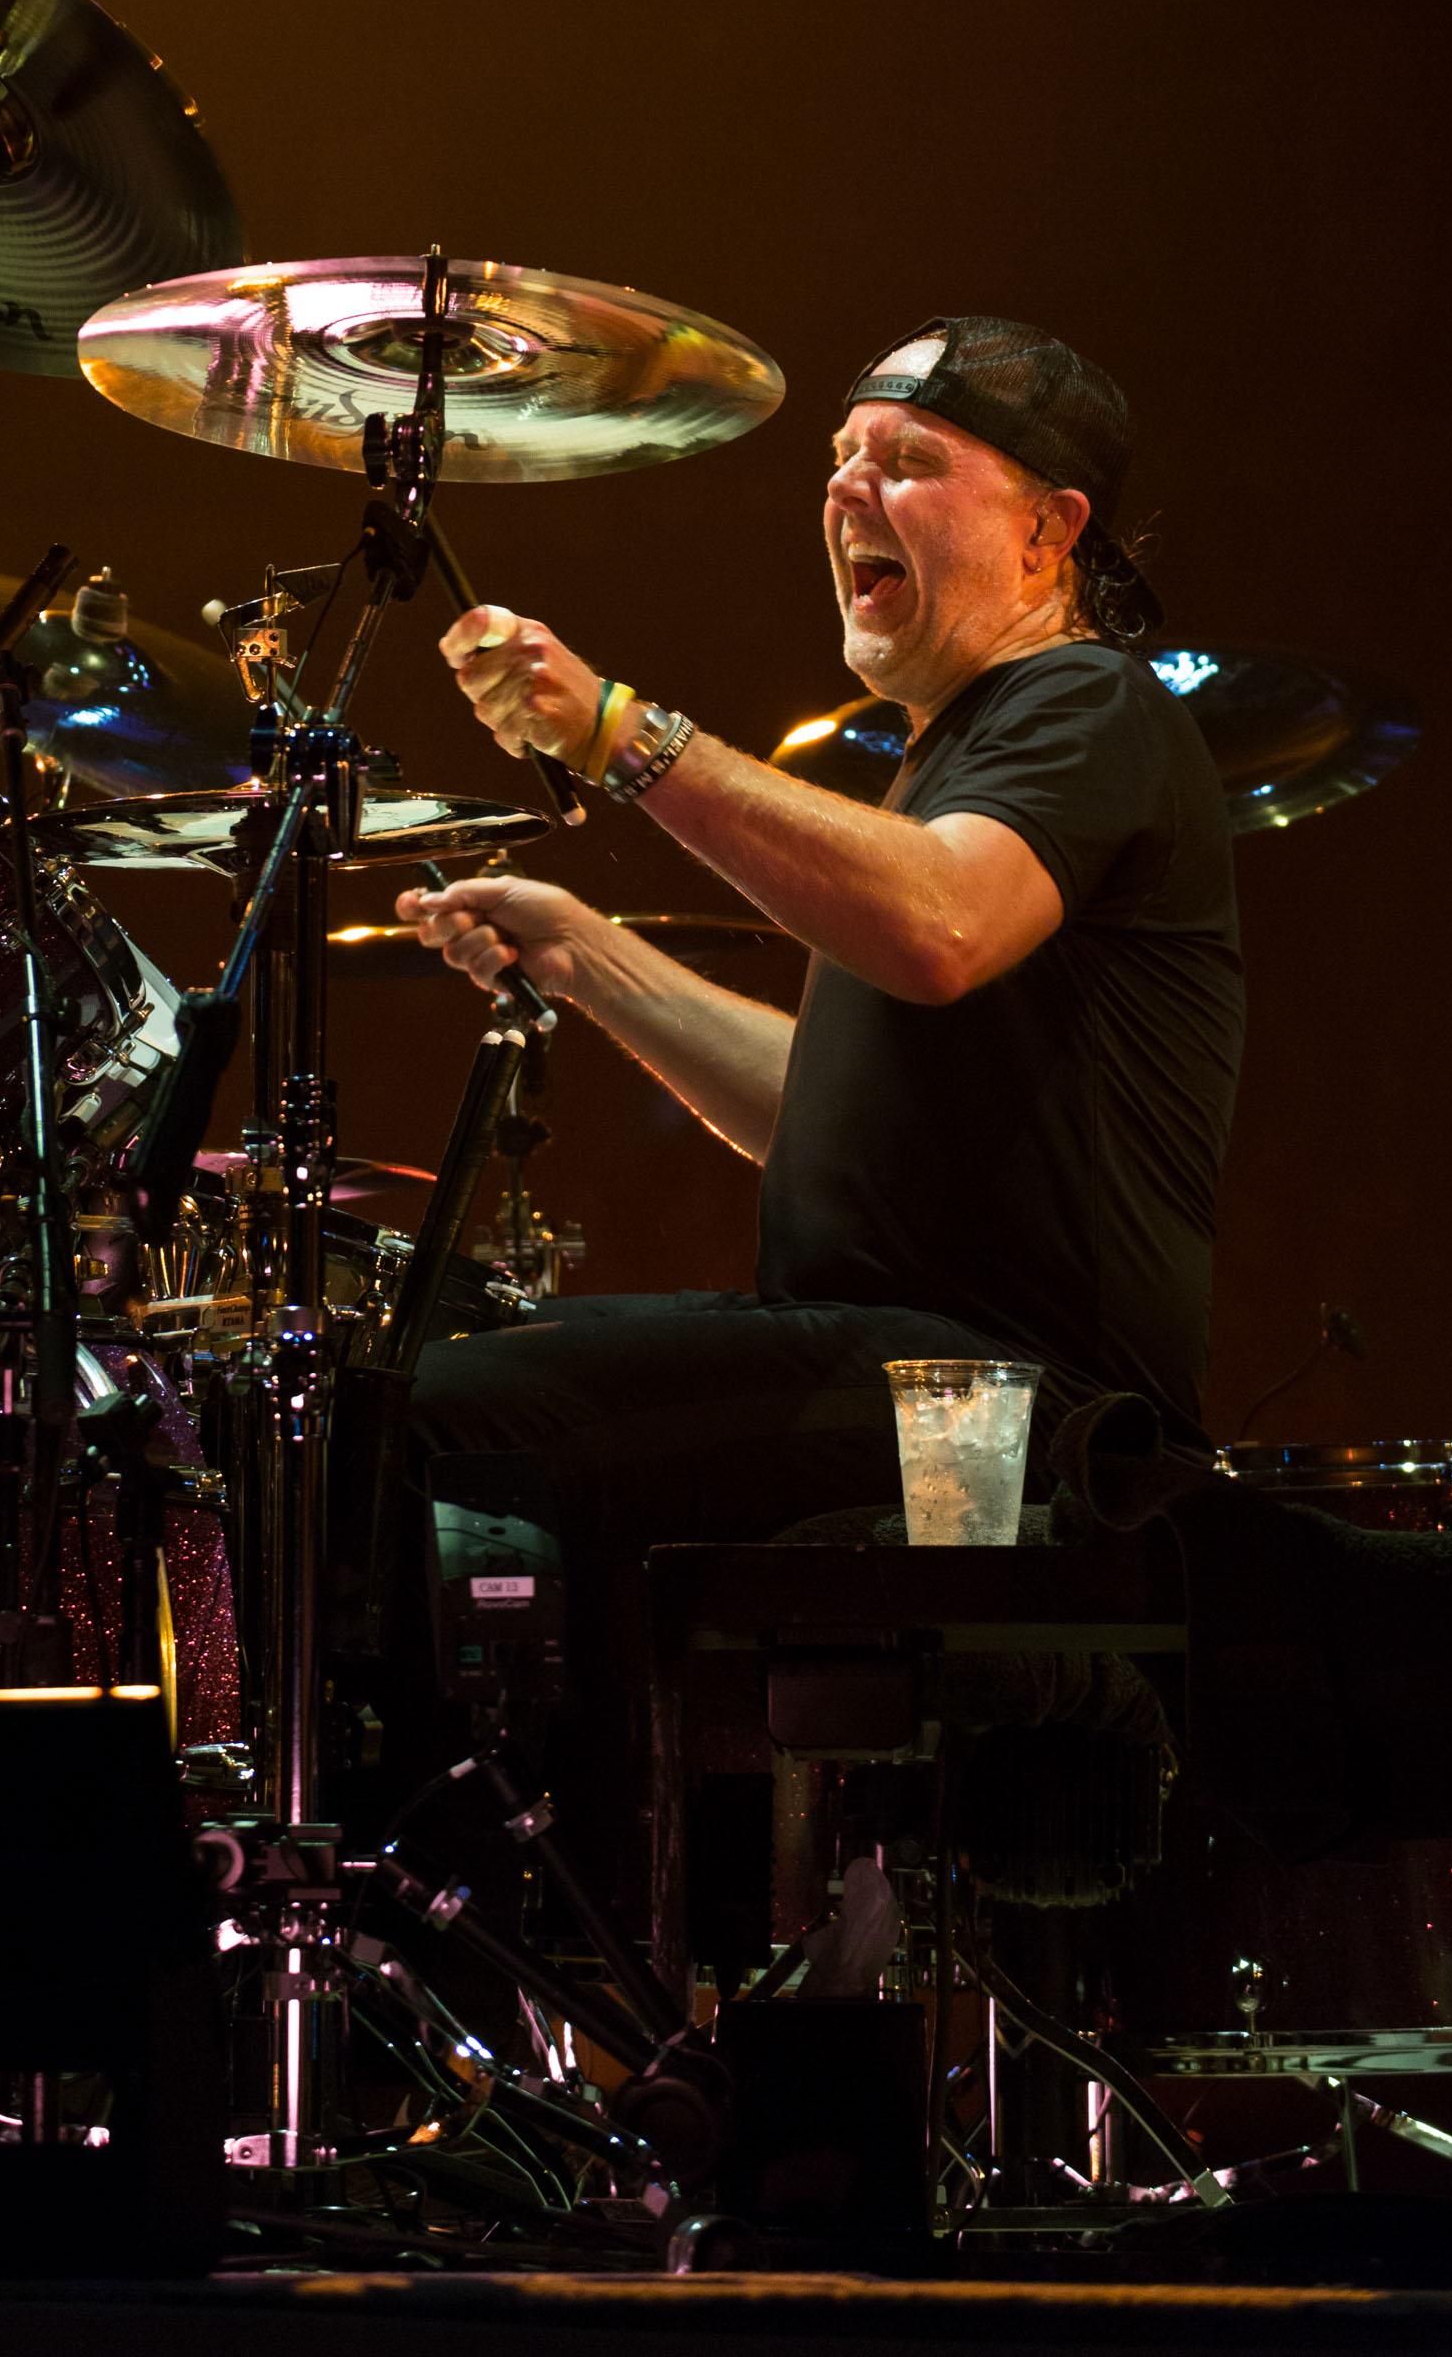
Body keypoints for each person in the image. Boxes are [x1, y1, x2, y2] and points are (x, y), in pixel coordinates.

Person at [395, 316, 1243, 1855]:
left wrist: (618, 732)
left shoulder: (1090, 706)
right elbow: (832, 1117)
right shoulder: (952, 759)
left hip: (1011, 1402)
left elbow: (938, 926)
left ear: (1051, 529)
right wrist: (590, 959)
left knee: (447, 1420)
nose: (850, 489)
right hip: (911, 1366)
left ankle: (495, 1910)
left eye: (909, 462)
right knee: (436, 1365)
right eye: (841, 460)